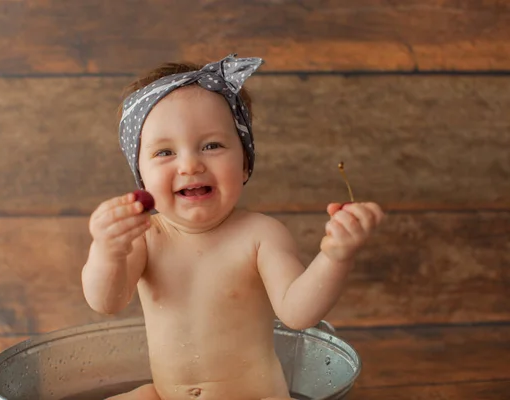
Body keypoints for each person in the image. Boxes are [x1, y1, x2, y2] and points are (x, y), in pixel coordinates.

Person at [81, 54, 384, 400]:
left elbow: (298, 313)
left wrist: (335, 257)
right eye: (165, 152)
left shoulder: (259, 235)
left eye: (211, 145)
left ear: (244, 164)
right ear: (141, 176)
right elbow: (107, 301)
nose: (190, 165)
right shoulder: (146, 237)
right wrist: (106, 250)